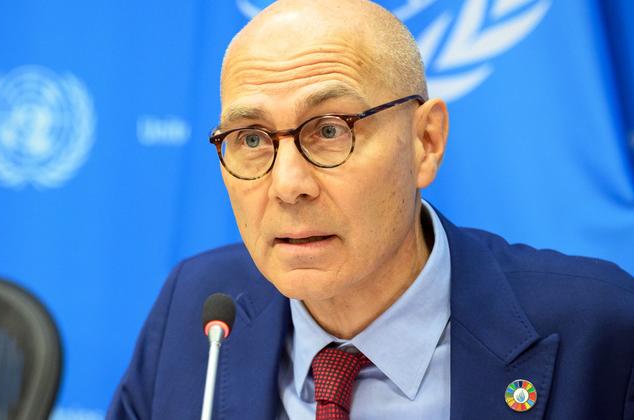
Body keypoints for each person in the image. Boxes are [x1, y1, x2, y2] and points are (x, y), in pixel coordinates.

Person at [108, 0, 634, 418]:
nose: (288, 186)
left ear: (426, 141)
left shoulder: (602, 329)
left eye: (330, 130)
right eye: (251, 138)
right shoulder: (196, 309)